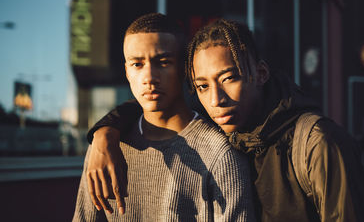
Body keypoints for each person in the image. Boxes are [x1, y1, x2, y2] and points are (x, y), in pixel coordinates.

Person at [87, 18, 364, 221]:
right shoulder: (225, 123)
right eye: (203, 86)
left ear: (260, 74)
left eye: (230, 78)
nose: (216, 99)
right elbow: (155, 102)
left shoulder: (315, 141)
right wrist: (105, 133)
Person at [72, 13, 256, 221]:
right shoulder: (104, 149)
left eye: (163, 62)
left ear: (184, 68)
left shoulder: (220, 155)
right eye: (137, 64)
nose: (149, 78)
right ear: (126, 72)